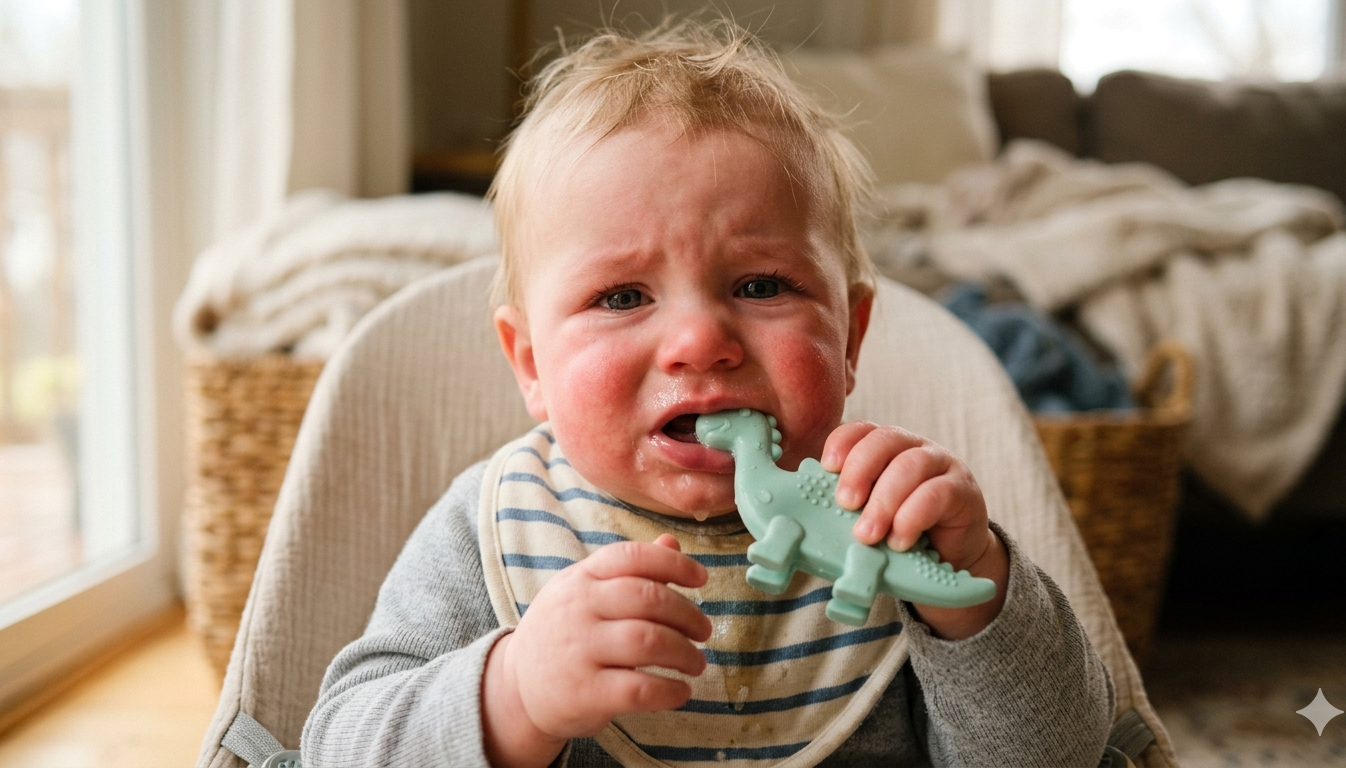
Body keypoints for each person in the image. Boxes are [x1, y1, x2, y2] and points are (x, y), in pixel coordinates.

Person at [303, 19, 1113, 767]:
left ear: (851, 337)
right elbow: (340, 745)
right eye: (622, 297)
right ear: (531, 365)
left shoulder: (889, 517)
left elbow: (1064, 754)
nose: (699, 342)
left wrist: (977, 596)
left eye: (761, 285)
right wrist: (511, 692)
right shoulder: (495, 525)